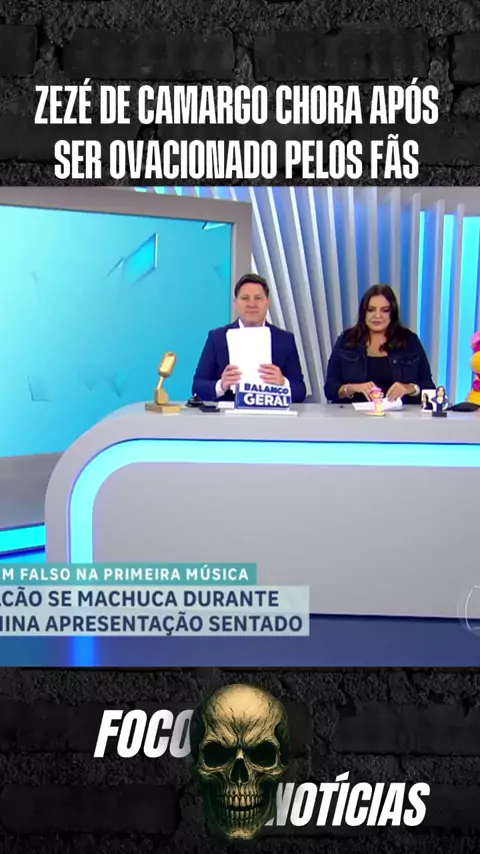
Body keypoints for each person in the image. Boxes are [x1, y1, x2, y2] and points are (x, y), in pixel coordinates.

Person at [192, 273, 307, 402]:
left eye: (258, 298)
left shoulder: (285, 340)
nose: (252, 304)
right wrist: (221, 385)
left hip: (272, 412)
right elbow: (197, 388)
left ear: (267, 302)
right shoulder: (217, 338)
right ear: (235, 302)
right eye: (245, 298)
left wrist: (283, 383)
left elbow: (300, 391)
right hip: (228, 413)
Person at [324, 284, 435, 404]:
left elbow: (429, 388)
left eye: (385, 310)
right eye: (371, 310)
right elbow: (330, 389)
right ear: (364, 313)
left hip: (401, 414)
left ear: (392, 313)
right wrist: (351, 388)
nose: (377, 316)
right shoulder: (347, 340)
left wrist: (410, 388)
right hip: (353, 413)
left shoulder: (409, 341)